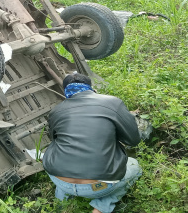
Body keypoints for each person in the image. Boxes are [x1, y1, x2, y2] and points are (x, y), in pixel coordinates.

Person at [42, 73, 144, 213]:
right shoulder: (113, 102)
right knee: (134, 166)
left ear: (65, 91)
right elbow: (133, 140)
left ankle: (62, 201)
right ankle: (102, 207)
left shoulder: (56, 111)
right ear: (90, 87)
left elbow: (55, 140)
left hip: (60, 180)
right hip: (99, 186)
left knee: (59, 149)